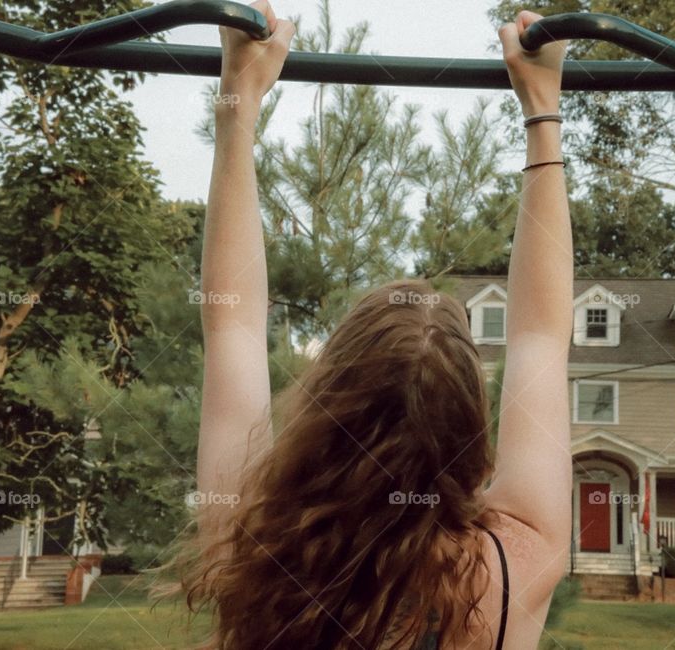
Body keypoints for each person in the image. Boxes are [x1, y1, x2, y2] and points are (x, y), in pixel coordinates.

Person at [182, 2, 572, 647]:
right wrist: (542, 109)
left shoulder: (253, 544)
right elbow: (540, 337)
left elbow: (233, 327)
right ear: (469, 430)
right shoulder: (511, 567)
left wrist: (238, 99)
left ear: (324, 400)